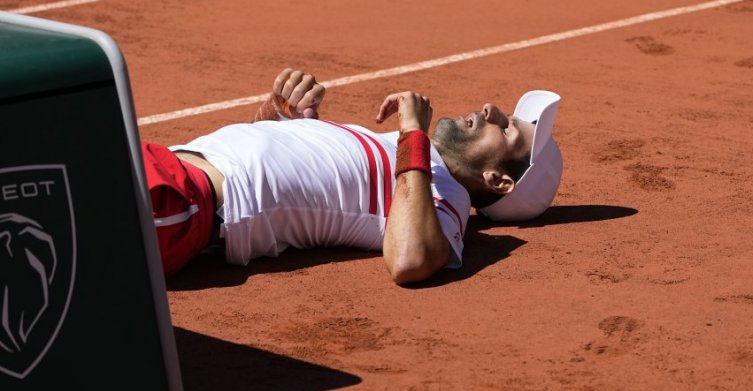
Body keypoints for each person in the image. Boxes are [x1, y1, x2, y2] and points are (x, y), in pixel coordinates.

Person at [143, 68, 562, 284]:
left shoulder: (445, 195)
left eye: (507, 129)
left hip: (181, 200)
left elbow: (410, 260)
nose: (491, 110)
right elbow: (274, 164)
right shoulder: (403, 157)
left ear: (497, 181)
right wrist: (280, 113)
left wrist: (413, 132)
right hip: (169, 163)